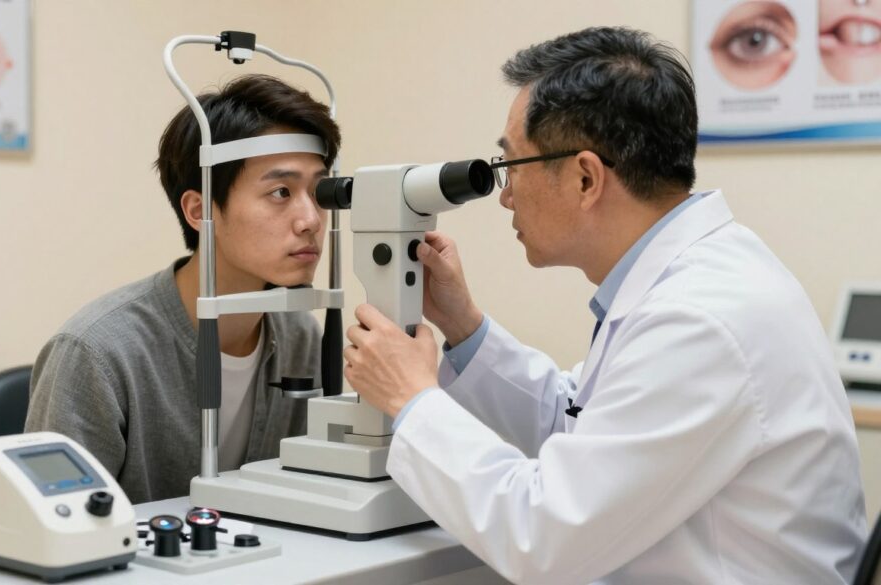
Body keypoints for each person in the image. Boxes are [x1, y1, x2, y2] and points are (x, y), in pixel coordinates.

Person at [343, 27, 866, 584]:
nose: (504, 194)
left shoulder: (700, 320)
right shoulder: (698, 278)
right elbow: (580, 425)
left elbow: (543, 537)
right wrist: (463, 325)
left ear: (586, 177)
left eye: (511, 166)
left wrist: (413, 400)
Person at [25, 74, 341, 503]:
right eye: (281, 192)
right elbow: (52, 526)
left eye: (319, 190)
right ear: (199, 210)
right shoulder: (98, 353)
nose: (312, 219)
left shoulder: (299, 335)